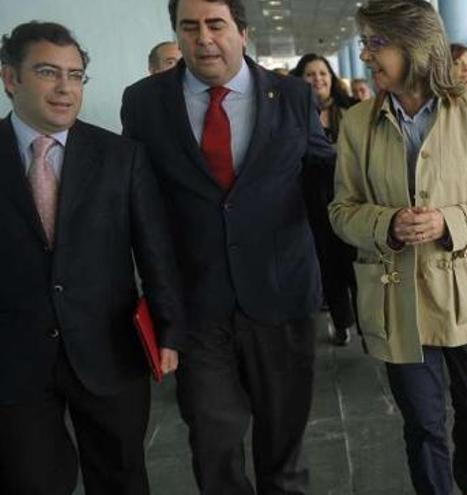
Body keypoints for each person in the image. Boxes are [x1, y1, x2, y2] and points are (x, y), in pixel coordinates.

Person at [120, 0, 335, 493]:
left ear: (241, 31)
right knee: (213, 443)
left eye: (216, 25)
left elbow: (326, 175)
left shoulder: (294, 95)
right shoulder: (145, 102)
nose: (203, 38)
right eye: (188, 27)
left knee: (284, 449)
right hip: (197, 304)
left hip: (282, 297)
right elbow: (140, 201)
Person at [329, 1, 467, 494]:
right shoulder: (356, 123)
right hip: (398, 299)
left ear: (414, 46)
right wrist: (387, 223)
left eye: (377, 43)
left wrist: (449, 221)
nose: (367, 56)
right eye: (365, 43)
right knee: (422, 424)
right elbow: (341, 211)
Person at [0, 21, 185, 494]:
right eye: (47, 72)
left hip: (109, 350)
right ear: (10, 78)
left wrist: (169, 329)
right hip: (15, 360)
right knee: (31, 482)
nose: (65, 88)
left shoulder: (120, 156)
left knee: (122, 477)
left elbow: (154, 250)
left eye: (76, 75)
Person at [292, 53, 358, 346]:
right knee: (328, 265)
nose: (318, 79)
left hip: (351, 195)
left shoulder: (352, 110)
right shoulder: (291, 114)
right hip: (311, 201)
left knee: (355, 262)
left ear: (332, 78)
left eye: (322, 73)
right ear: (300, 80)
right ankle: (342, 321)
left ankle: (368, 321)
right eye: (310, 74)